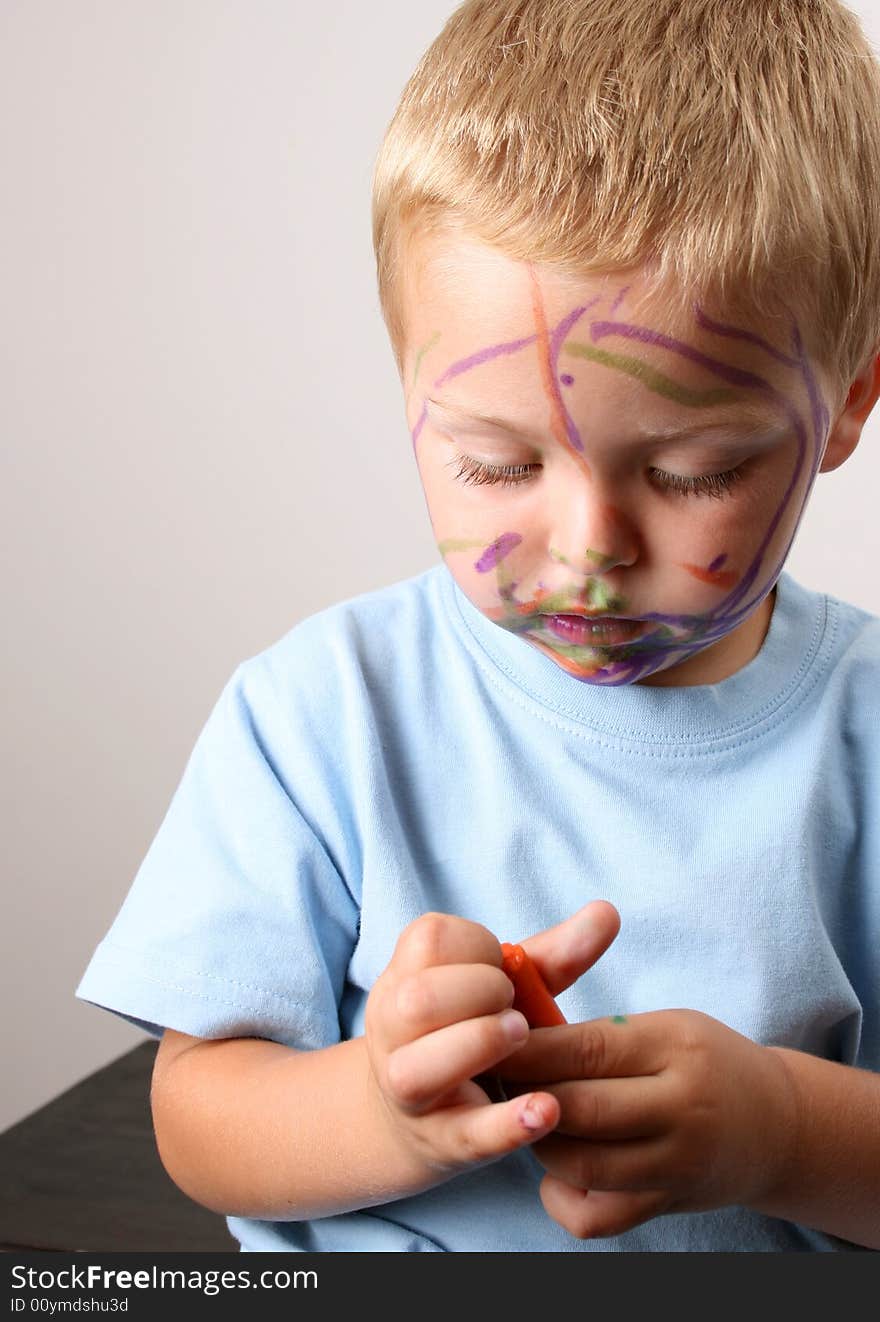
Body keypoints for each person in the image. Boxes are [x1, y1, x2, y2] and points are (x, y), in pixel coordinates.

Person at [76, 0, 880, 1252]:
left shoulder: (864, 737)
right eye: (496, 465)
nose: (588, 545)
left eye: (689, 472)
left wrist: (784, 1131)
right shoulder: (322, 714)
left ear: (847, 403)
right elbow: (198, 1118)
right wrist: (381, 1110)